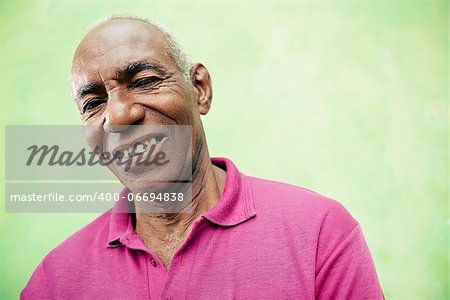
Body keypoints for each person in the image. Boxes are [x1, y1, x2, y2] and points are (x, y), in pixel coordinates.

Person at [21, 16, 384, 299]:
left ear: (200, 89)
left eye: (145, 81)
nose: (118, 117)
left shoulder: (320, 233)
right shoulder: (52, 282)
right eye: (94, 103)